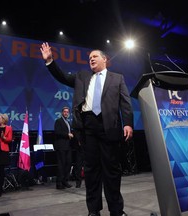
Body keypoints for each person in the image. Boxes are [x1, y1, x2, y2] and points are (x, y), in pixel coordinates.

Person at [40, 42, 133, 216]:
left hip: (109, 127)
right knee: (91, 172)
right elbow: (61, 77)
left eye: (94, 56)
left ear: (104, 59)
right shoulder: (82, 76)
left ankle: (116, 210)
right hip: (87, 127)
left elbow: (125, 103)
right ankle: (93, 211)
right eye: (89, 57)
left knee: (112, 171)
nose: (91, 59)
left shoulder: (117, 78)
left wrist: (127, 123)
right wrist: (50, 61)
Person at [54, 106, 74, 189]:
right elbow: (57, 132)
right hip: (61, 146)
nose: (66, 113)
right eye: (65, 112)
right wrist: (67, 134)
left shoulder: (68, 122)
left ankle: (65, 181)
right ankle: (59, 183)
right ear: (62, 112)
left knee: (68, 164)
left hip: (68, 146)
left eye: (67, 112)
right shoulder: (58, 121)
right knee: (61, 165)